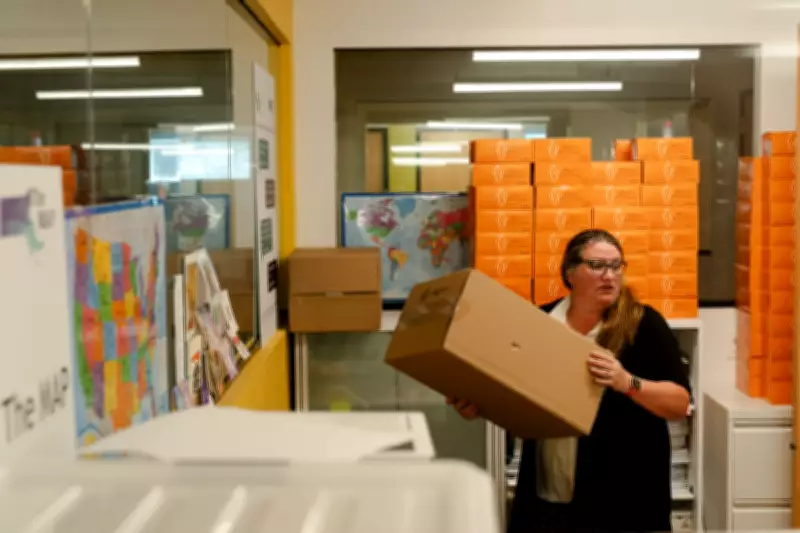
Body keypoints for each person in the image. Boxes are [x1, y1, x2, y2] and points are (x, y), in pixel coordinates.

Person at [448, 229, 691, 533]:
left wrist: (627, 382)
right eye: (597, 265)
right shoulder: (540, 322)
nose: (609, 275)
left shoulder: (644, 325)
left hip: (624, 500)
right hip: (549, 495)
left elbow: (679, 404)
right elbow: (518, 397)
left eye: (616, 266)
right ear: (570, 273)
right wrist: (480, 406)